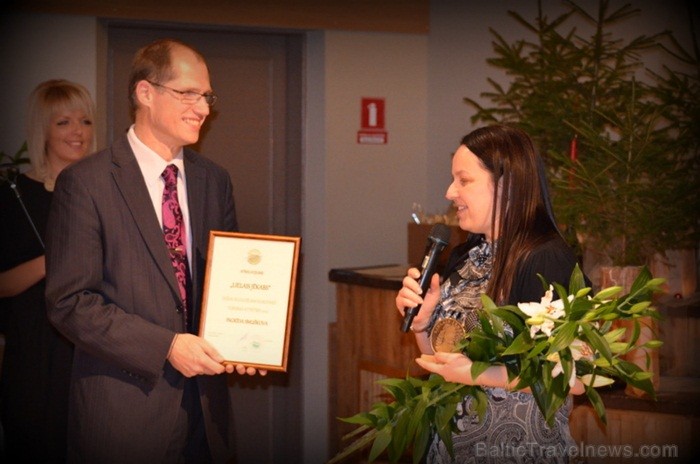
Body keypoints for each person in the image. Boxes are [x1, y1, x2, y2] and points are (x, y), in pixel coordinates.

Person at [44, 38, 265, 463]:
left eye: (206, 96)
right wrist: (166, 346)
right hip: (123, 413)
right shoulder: (87, 183)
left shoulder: (213, 180)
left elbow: (228, 283)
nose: (203, 108)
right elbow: (70, 303)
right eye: (188, 93)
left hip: (206, 414)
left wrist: (248, 339)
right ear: (145, 93)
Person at [395, 125, 586, 463]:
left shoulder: (546, 258)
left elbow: (572, 380)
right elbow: (445, 362)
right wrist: (422, 326)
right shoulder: (464, 256)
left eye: (463, 180)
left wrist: (476, 373)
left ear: (507, 185)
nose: (450, 191)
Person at [0, 79, 95, 462]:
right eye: (63, 122)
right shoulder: (11, 196)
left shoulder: (106, 194)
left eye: (86, 121)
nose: (78, 132)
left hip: (90, 352)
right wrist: (54, 259)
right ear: (42, 128)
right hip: (33, 358)